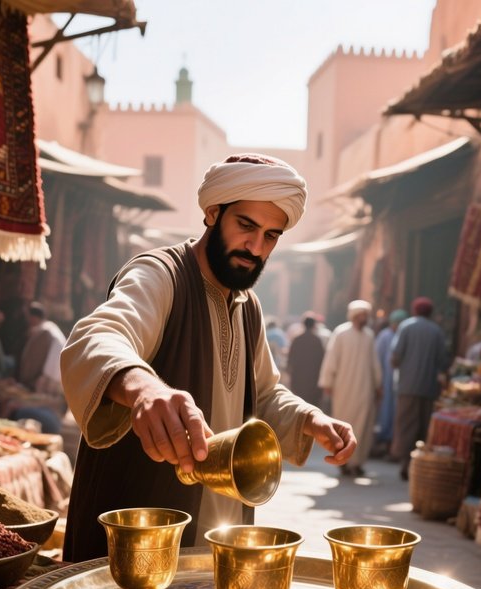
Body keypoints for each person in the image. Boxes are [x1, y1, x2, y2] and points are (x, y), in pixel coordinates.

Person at [60, 153, 356, 561]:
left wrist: (309, 418)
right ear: (213, 213)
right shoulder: (159, 274)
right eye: (246, 226)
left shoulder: (247, 304)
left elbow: (264, 394)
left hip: (222, 530)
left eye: (271, 236)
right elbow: (99, 335)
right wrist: (143, 388)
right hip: (144, 532)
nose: (256, 247)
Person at [317, 300, 382, 477]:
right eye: (362, 315)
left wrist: (378, 384)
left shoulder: (369, 336)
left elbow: (374, 363)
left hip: (365, 388)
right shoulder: (341, 333)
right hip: (344, 388)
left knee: (363, 426)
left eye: (366, 315)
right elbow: (331, 359)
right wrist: (327, 383)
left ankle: (357, 462)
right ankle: (343, 461)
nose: (365, 319)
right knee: (344, 426)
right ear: (354, 316)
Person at [390, 297, 449, 480]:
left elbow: (395, 356)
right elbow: (443, 362)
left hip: (407, 387)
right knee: (422, 428)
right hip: (428, 388)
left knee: (406, 425)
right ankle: (417, 464)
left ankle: (404, 463)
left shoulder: (406, 327)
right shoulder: (437, 332)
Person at [12, 301, 68, 433]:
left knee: (39, 406)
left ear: (33, 317)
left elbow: (35, 359)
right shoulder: (49, 329)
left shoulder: (45, 332)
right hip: (55, 375)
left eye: (28, 317)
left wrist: (27, 379)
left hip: (49, 377)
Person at [374, 308, 407, 456]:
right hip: (385, 382)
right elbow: (377, 360)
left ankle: (394, 446)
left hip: (400, 384)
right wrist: (378, 383)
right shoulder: (384, 336)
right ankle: (384, 444)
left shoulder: (404, 335)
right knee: (385, 413)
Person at [286, 312, 326, 406]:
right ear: (314, 325)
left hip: (298, 379)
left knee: (299, 405)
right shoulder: (317, 341)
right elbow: (322, 360)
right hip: (313, 380)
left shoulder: (297, 339)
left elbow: (290, 359)